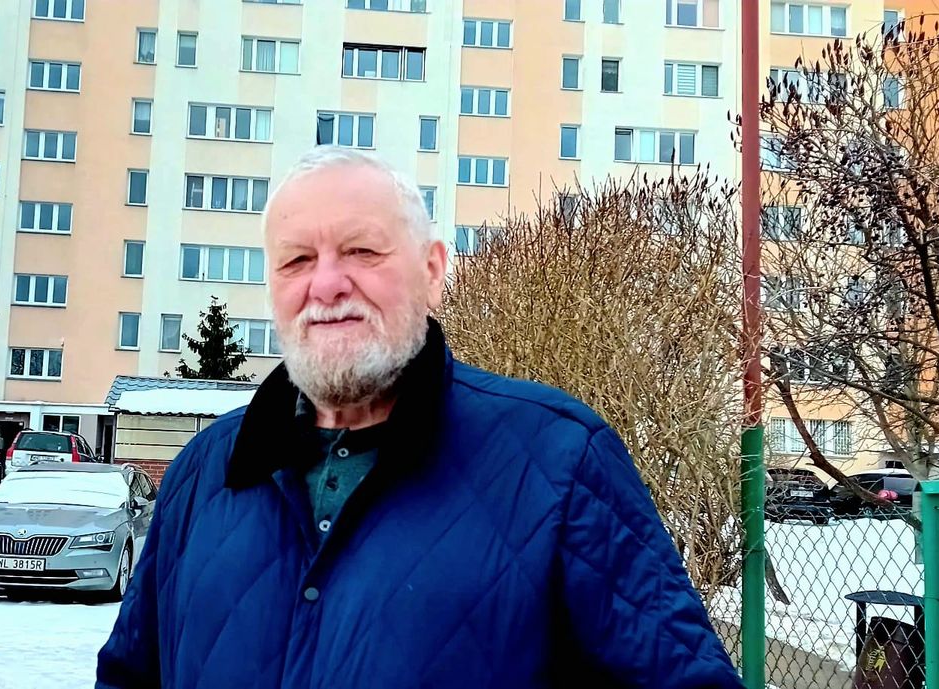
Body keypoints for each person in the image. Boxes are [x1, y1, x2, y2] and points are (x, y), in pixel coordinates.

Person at [96, 147, 741, 688]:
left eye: (361, 251)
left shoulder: (559, 463)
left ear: (432, 271)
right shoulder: (202, 475)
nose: (327, 284)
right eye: (297, 260)